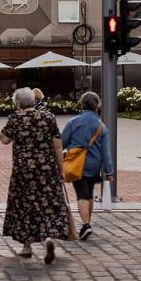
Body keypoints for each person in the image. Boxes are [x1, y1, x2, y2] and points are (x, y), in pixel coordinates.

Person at [0, 87, 69, 264]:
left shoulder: (15, 119)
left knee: (24, 207)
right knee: (48, 202)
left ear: (18, 103)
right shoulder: (48, 117)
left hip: (23, 172)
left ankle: (27, 246)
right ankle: (48, 238)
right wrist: (61, 169)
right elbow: (58, 146)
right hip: (47, 170)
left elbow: (4, 139)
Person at [61, 92, 114, 241]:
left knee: (82, 194)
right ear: (98, 106)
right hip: (94, 165)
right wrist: (108, 171)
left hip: (78, 164)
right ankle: (87, 223)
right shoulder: (101, 126)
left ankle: (85, 225)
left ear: (82, 105)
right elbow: (106, 152)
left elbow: (62, 142)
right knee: (89, 193)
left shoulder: (73, 122)